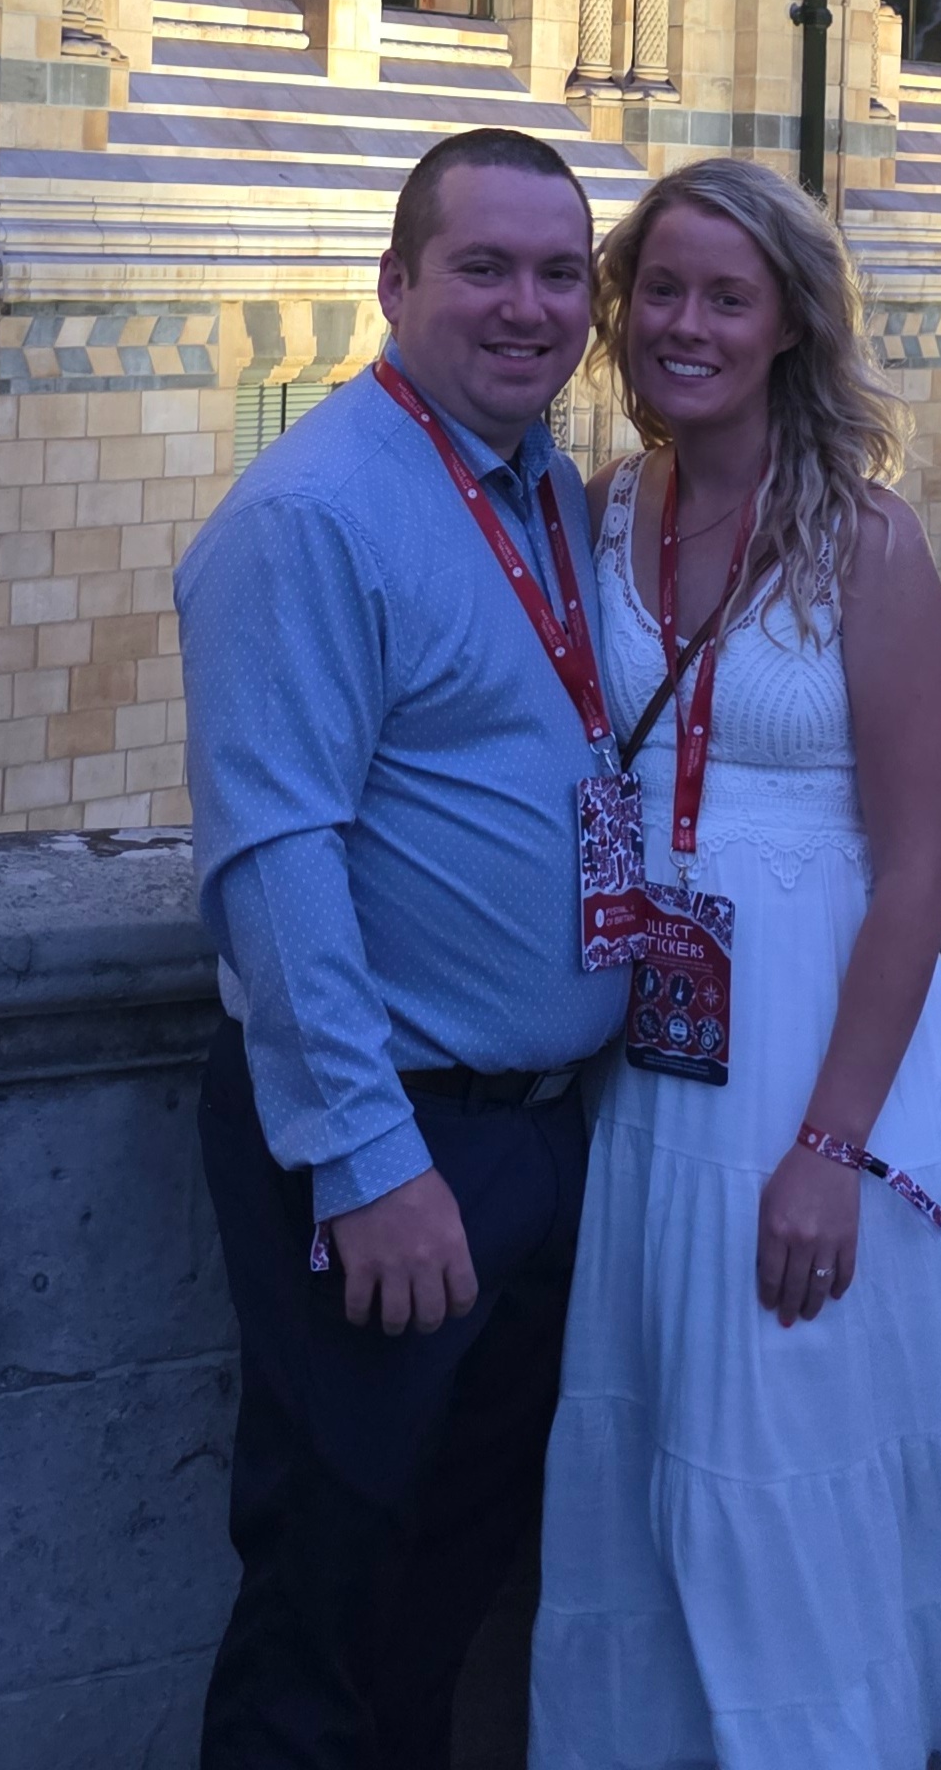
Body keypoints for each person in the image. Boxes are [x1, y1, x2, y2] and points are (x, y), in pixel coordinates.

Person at [532, 155, 941, 1768]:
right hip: (646, 1069)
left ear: (787, 327)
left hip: (807, 1075)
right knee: (651, 1447)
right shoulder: (599, 508)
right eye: (660, 292)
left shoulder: (865, 545)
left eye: (726, 297)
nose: (685, 326)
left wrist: (829, 1147)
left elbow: (919, 866)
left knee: (789, 1443)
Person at [175, 122, 624, 1768]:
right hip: (397, 1138)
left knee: (444, 1581)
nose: (527, 307)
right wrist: (367, 1162)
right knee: (331, 1589)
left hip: (538, 1139)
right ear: (394, 282)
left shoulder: (544, 489)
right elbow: (271, 853)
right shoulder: (312, 511)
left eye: (560, 275)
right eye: (482, 268)